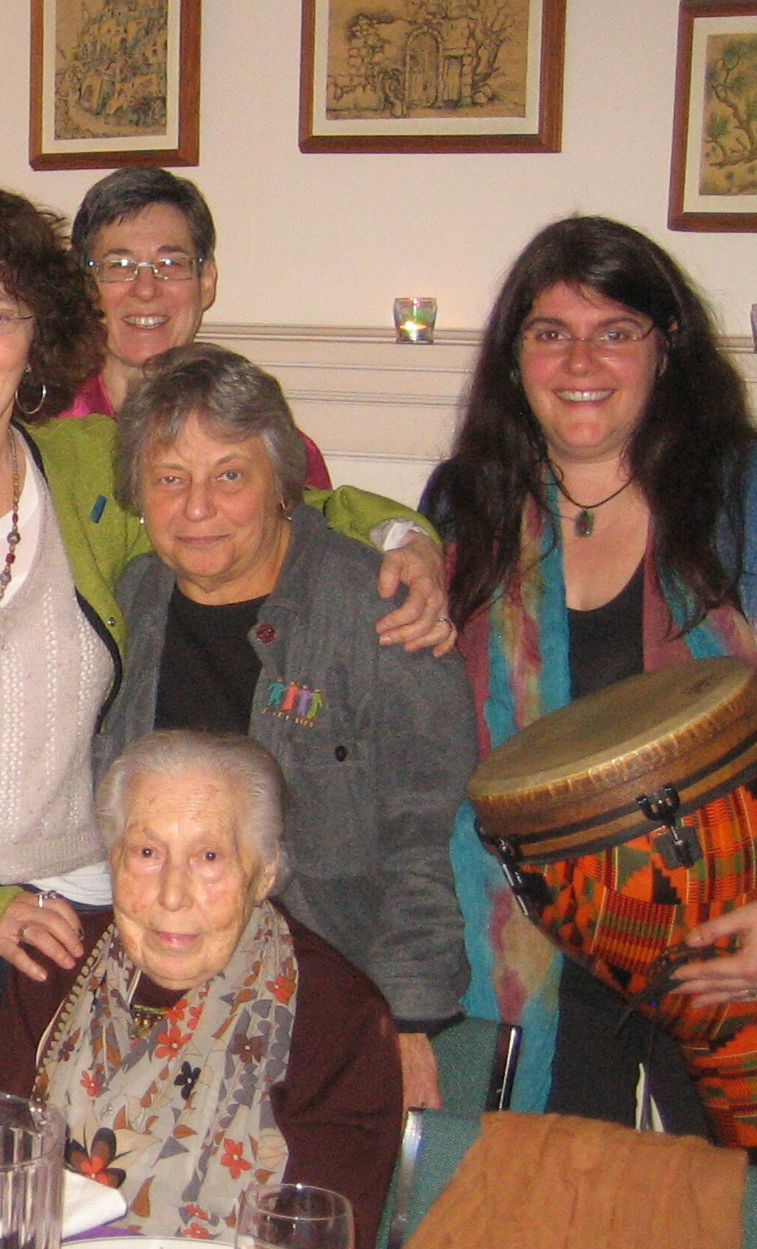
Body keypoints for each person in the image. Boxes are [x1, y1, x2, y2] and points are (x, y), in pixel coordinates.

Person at [0, 186, 446, 1120]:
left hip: (88, 956)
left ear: (37, 339)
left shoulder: (87, 475)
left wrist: (405, 537)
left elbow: (258, 507)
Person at [425, 215, 757, 1131]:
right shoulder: (469, 503)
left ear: (667, 345)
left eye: (616, 332)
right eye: (551, 333)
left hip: (727, 934)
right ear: (514, 354)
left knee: (745, 1240)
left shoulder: (743, 492)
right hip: (524, 942)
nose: (581, 362)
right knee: (532, 1233)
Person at [88, 347, 474, 1108]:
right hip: (164, 1004)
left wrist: (406, 1023)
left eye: (230, 475)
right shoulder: (127, 605)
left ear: (282, 486)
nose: (197, 507)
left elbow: (430, 834)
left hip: (336, 1011)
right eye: (170, 479)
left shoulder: (380, 614)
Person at [30, 731, 401, 1249]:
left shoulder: (334, 1014)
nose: (173, 894)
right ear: (111, 859)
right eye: (147, 853)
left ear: (265, 873)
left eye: (209, 856)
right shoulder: (54, 968)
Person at [56, 167, 333, 488]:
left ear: (206, 282)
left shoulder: (268, 448)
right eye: (120, 266)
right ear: (85, 287)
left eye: (170, 264)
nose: (145, 289)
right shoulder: (42, 434)